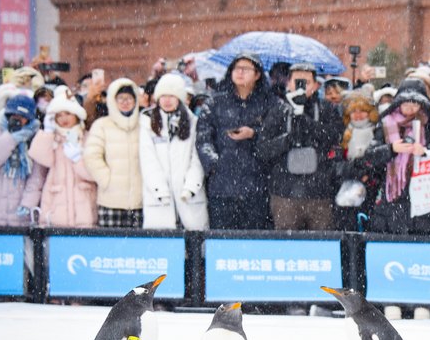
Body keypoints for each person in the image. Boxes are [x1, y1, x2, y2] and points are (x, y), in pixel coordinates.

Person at [196, 52, 278, 230]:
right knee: (222, 240)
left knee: (254, 241)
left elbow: (276, 136)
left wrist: (254, 134)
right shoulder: (215, 102)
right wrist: (214, 164)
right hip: (222, 185)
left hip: (256, 184)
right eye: (236, 68)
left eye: (246, 69)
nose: (240, 72)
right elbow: (203, 137)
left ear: (257, 75)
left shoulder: (269, 103)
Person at [256, 62, 343, 231]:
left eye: (306, 82)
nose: (301, 87)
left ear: (316, 85)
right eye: (297, 82)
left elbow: (335, 137)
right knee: (287, 247)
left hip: (320, 192)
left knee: (321, 247)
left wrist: (306, 121)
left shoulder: (325, 109)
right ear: (288, 83)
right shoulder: (278, 110)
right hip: (284, 192)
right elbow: (262, 149)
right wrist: (287, 140)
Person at [370, 78, 430, 236]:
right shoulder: (385, 124)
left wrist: (426, 153)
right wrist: (391, 149)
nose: (410, 108)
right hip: (391, 202)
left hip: (425, 200)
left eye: (415, 103)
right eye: (405, 103)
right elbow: (369, 158)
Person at [139, 73, 208, 230]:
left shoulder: (193, 122)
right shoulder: (147, 123)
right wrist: (160, 190)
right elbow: (148, 160)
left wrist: (190, 187)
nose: (167, 100)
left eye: (172, 95)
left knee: (195, 247)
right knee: (162, 249)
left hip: (189, 199)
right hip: (159, 202)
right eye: (163, 96)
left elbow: (196, 159)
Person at [27, 91, 97, 227]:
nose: (64, 119)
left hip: (85, 209)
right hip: (56, 207)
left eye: (68, 113)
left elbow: (95, 174)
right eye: (59, 115)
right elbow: (41, 158)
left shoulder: (88, 138)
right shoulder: (53, 138)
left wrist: (78, 159)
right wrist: (47, 131)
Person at [0, 95, 45, 226]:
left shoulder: (35, 137)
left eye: (22, 117)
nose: (17, 119)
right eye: (14, 115)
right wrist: (11, 138)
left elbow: (37, 177)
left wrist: (28, 203)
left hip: (19, 205)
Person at [83, 78, 144, 228]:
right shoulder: (102, 125)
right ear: (112, 100)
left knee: (137, 248)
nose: (125, 102)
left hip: (139, 201)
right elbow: (92, 156)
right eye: (120, 98)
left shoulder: (144, 124)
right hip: (110, 201)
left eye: (129, 98)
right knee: (110, 248)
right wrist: (106, 180)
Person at [331, 90, 381, 231]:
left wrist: (368, 174)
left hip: (372, 191)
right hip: (346, 190)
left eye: (362, 111)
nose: (358, 115)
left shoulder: (378, 132)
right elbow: (336, 164)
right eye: (354, 111)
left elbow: (379, 161)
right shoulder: (342, 133)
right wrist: (354, 171)